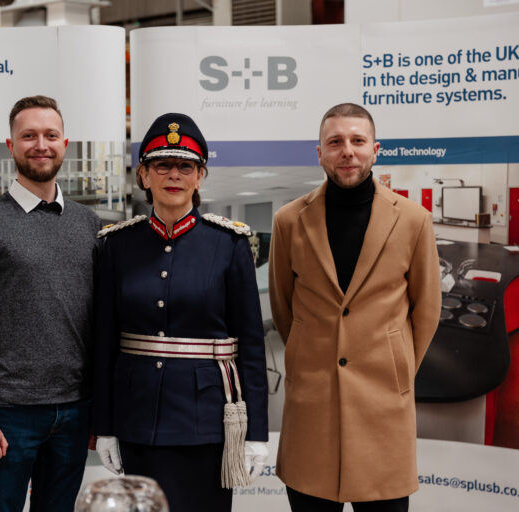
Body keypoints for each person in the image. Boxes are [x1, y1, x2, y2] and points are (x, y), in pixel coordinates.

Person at [268, 103, 441, 511]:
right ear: (320, 153)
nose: (347, 150)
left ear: (375, 149)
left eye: (357, 140)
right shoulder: (289, 220)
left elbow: (426, 309)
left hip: (384, 410)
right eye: (336, 142)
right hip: (313, 407)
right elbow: (283, 306)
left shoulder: (414, 220)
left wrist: (395, 368)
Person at [93, 113, 269, 512]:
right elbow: (104, 344)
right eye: (162, 165)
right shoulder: (117, 246)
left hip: (206, 424)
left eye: (185, 166)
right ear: (144, 175)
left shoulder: (229, 244)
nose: (174, 175)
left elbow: (252, 347)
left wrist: (256, 431)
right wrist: (104, 427)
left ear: (199, 176)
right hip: (137, 421)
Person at [0, 95, 100, 512]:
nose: (41, 144)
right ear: (11, 146)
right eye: (28, 135)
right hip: (8, 415)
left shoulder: (90, 226)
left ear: (65, 144)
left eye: (50, 135)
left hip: (74, 410)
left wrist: (99, 409)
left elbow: (101, 323)